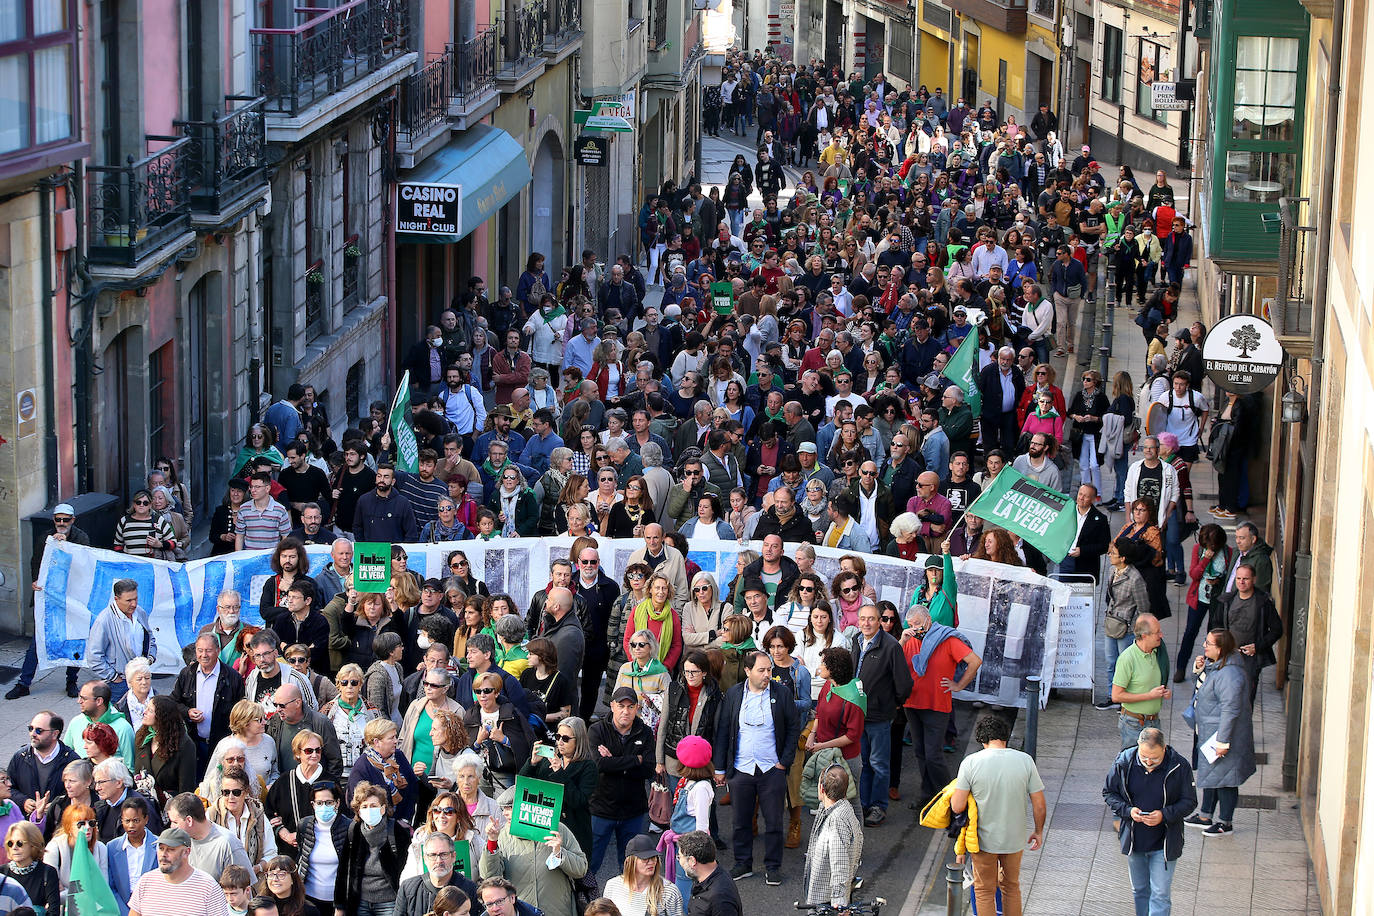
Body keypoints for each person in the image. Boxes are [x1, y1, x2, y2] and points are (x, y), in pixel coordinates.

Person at [711, 649, 798, 886]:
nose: (767, 674)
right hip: (741, 769)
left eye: (769, 669)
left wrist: (784, 762)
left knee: (773, 821)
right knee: (740, 821)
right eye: (761, 670)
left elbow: (792, 728)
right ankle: (743, 863)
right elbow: (724, 731)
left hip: (772, 769)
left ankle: (773, 866)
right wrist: (720, 767)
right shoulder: (733, 694)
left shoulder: (782, 694)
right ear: (748, 671)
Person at [950, 715, 1046, 916]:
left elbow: (958, 806)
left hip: (983, 840)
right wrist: (1038, 831)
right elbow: (1039, 804)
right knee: (1011, 887)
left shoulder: (971, 763)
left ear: (982, 740)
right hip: (1015, 839)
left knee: (984, 890)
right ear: (1006, 736)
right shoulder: (1025, 760)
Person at [1102, 728, 1196, 916]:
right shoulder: (1124, 762)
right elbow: (1109, 793)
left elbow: (1190, 802)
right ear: (1137, 746)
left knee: (1160, 893)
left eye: (1154, 758)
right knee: (1140, 890)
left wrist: (1164, 814)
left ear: (1164, 749)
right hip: (1134, 840)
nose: (1148, 762)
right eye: (1144, 756)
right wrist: (1128, 811)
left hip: (1165, 841)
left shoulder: (1179, 766)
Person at [900, 606, 980, 808]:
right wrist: (902, 640)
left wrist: (959, 685)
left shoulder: (946, 639)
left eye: (918, 624)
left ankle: (951, 799)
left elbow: (974, 661)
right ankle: (928, 795)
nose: (915, 628)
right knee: (920, 752)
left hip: (937, 705)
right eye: (911, 625)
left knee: (933, 754)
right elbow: (894, 662)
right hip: (912, 703)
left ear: (928, 621)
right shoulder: (909, 641)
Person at [1184, 629, 1256, 837]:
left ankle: (1225, 822)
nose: (1204, 646)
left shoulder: (1230, 674)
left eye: (1208, 644)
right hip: (1210, 731)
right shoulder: (1218, 666)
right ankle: (1205, 815)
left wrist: (1223, 741)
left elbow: (1230, 709)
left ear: (1221, 648)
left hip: (1221, 735)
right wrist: (1198, 669)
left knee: (1225, 778)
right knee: (1213, 773)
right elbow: (1202, 686)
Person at [847, 604, 912, 827]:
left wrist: (892, 705)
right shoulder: (856, 640)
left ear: (878, 622)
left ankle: (878, 806)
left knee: (879, 764)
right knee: (863, 762)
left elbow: (904, 684)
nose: (866, 623)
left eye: (871, 619)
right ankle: (863, 804)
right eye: (863, 618)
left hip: (879, 717)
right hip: (858, 714)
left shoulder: (891, 647)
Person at [479, 790, 587, 916]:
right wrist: (492, 841)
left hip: (558, 910)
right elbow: (490, 877)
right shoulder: (502, 836)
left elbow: (581, 870)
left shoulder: (558, 830)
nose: (505, 814)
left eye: (510, 808)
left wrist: (560, 853)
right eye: (504, 809)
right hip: (523, 912)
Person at [587, 687, 655, 873]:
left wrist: (614, 761)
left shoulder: (645, 732)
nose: (626, 711)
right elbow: (599, 765)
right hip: (601, 809)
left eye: (630, 706)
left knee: (631, 869)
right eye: (621, 706)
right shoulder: (596, 730)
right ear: (612, 706)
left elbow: (648, 769)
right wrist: (635, 760)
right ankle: (585, 902)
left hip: (633, 811)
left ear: (637, 708)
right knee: (590, 866)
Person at [517, 718, 597, 866]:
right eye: (558, 736)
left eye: (565, 739)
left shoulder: (588, 766)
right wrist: (532, 763)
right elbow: (522, 786)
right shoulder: (548, 760)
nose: (560, 742)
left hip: (574, 832)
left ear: (578, 740)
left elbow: (577, 800)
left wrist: (559, 772)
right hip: (546, 830)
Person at [171, 634, 248, 772]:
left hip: (221, 746)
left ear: (218, 651)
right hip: (193, 744)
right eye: (200, 650)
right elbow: (174, 702)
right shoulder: (186, 674)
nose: (203, 655)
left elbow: (241, 713)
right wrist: (187, 712)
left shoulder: (233, 677)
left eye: (208, 650)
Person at [334, 782, 411, 916]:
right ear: (358, 810)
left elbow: (408, 870)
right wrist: (340, 906)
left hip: (389, 901)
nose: (369, 810)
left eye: (373, 806)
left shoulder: (397, 831)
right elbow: (344, 870)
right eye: (365, 806)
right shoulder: (354, 831)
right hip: (360, 901)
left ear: (383, 809)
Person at [1207, 564, 1283, 699]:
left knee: (1246, 697)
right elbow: (1215, 626)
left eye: (1245, 579)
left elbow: (1277, 630)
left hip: (1251, 659)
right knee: (1225, 694)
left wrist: (1258, 646)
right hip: (1228, 655)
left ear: (1254, 579)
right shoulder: (1226, 601)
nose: (1241, 582)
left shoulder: (1263, 602)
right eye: (1238, 578)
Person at [126, 827, 228, 916]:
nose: (163, 855)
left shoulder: (208, 887)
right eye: (161, 849)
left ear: (186, 852)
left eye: (170, 849)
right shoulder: (145, 882)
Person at [461, 672, 534, 794]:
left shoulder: (510, 713)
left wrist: (504, 739)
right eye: (478, 692)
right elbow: (465, 750)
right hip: (477, 772)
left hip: (504, 772)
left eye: (487, 691)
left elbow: (524, 745)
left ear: (497, 693)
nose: (482, 695)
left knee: (502, 809)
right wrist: (478, 741)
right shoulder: (471, 715)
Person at [1177, 525, 1232, 683]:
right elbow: (1194, 574)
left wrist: (1218, 580)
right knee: (1190, 632)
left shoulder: (1228, 553)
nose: (1209, 547)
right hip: (1199, 597)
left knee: (1213, 636)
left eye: (1212, 545)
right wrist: (1205, 559)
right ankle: (1181, 667)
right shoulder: (1198, 549)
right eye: (1206, 544)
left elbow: (1229, 576)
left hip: (1217, 599)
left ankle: (1210, 669)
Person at [802, 764, 863, 907]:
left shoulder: (836, 821)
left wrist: (839, 903)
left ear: (822, 789)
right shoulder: (843, 809)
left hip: (827, 904)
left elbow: (839, 863)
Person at [87, 580, 157, 705]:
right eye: (129, 600)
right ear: (116, 599)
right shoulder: (104, 621)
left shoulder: (140, 612)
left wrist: (150, 657)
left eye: (136, 599)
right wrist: (115, 678)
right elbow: (94, 657)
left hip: (141, 678)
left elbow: (150, 637)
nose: (134, 604)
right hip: (118, 684)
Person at [1110, 615, 1171, 749]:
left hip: (1154, 722)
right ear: (1144, 636)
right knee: (1133, 765)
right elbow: (1116, 696)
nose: (1161, 635)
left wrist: (1163, 692)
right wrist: (1149, 695)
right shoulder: (1127, 658)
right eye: (1157, 632)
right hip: (1134, 724)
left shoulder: (1158, 653)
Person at [163, 793, 253, 878]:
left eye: (175, 822)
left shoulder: (228, 844)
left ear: (189, 820)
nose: (172, 827)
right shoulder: (180, 842)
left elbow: (244, 888)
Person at [133, 697, 198, 804]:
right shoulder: (141, 736)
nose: (144, 712)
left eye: (150, 710)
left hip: (170, 806)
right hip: (143, 804)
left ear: (162, 716)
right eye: (146, 708)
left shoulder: (185, 745)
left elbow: (186, 788)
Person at [395, 833, 478, 916]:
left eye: (444, 854)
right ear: (425, 859)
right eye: (433, 855)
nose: (439, 861)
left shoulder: (469, 889)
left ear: (453, 856)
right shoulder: (408, 888)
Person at [209, 767, 276, 868]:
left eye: (236, 792)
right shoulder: (211, 815)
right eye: (226, 792)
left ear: (246, 792)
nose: (230, 797)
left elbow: (271, 854)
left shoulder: (259, 816)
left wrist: (256, 869)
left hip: (253, 879)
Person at [603, 834, 683, 916]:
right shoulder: (612, 886)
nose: (651, 862)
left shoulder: (669, 892)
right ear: (631, 862)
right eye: (645, 859)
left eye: (653, 857)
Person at [674, 830, 740, 916]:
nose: (679, 861)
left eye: (680, 857)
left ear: (692, 861)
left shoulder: (720, 900)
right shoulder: (703, 876)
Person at [43, 804, 107, 890]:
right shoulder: (54, 848)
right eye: (81, 824)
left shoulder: (100, 848)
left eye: (91, 823)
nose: (88, 827)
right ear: (68, 828)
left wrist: (68, 891)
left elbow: (103, 887)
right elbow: (52, 891)